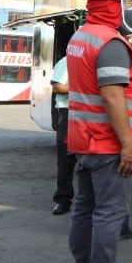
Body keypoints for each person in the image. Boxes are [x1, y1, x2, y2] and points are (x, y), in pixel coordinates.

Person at [65, 0, 132, 263]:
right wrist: (128, 143)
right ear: (114, 4)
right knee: (110, 212)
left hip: (83, 141)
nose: (131, 9)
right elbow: (113, 96)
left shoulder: (80, 37)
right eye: (127, 2)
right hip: (107, 144)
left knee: (85, 209)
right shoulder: (110, 43)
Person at [50, 55, 76, 215]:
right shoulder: (67, 61)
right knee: (66, 160)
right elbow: (57, 87)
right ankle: (63, 200)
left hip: (87, 111)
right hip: (67, 113)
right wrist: (83, 87)